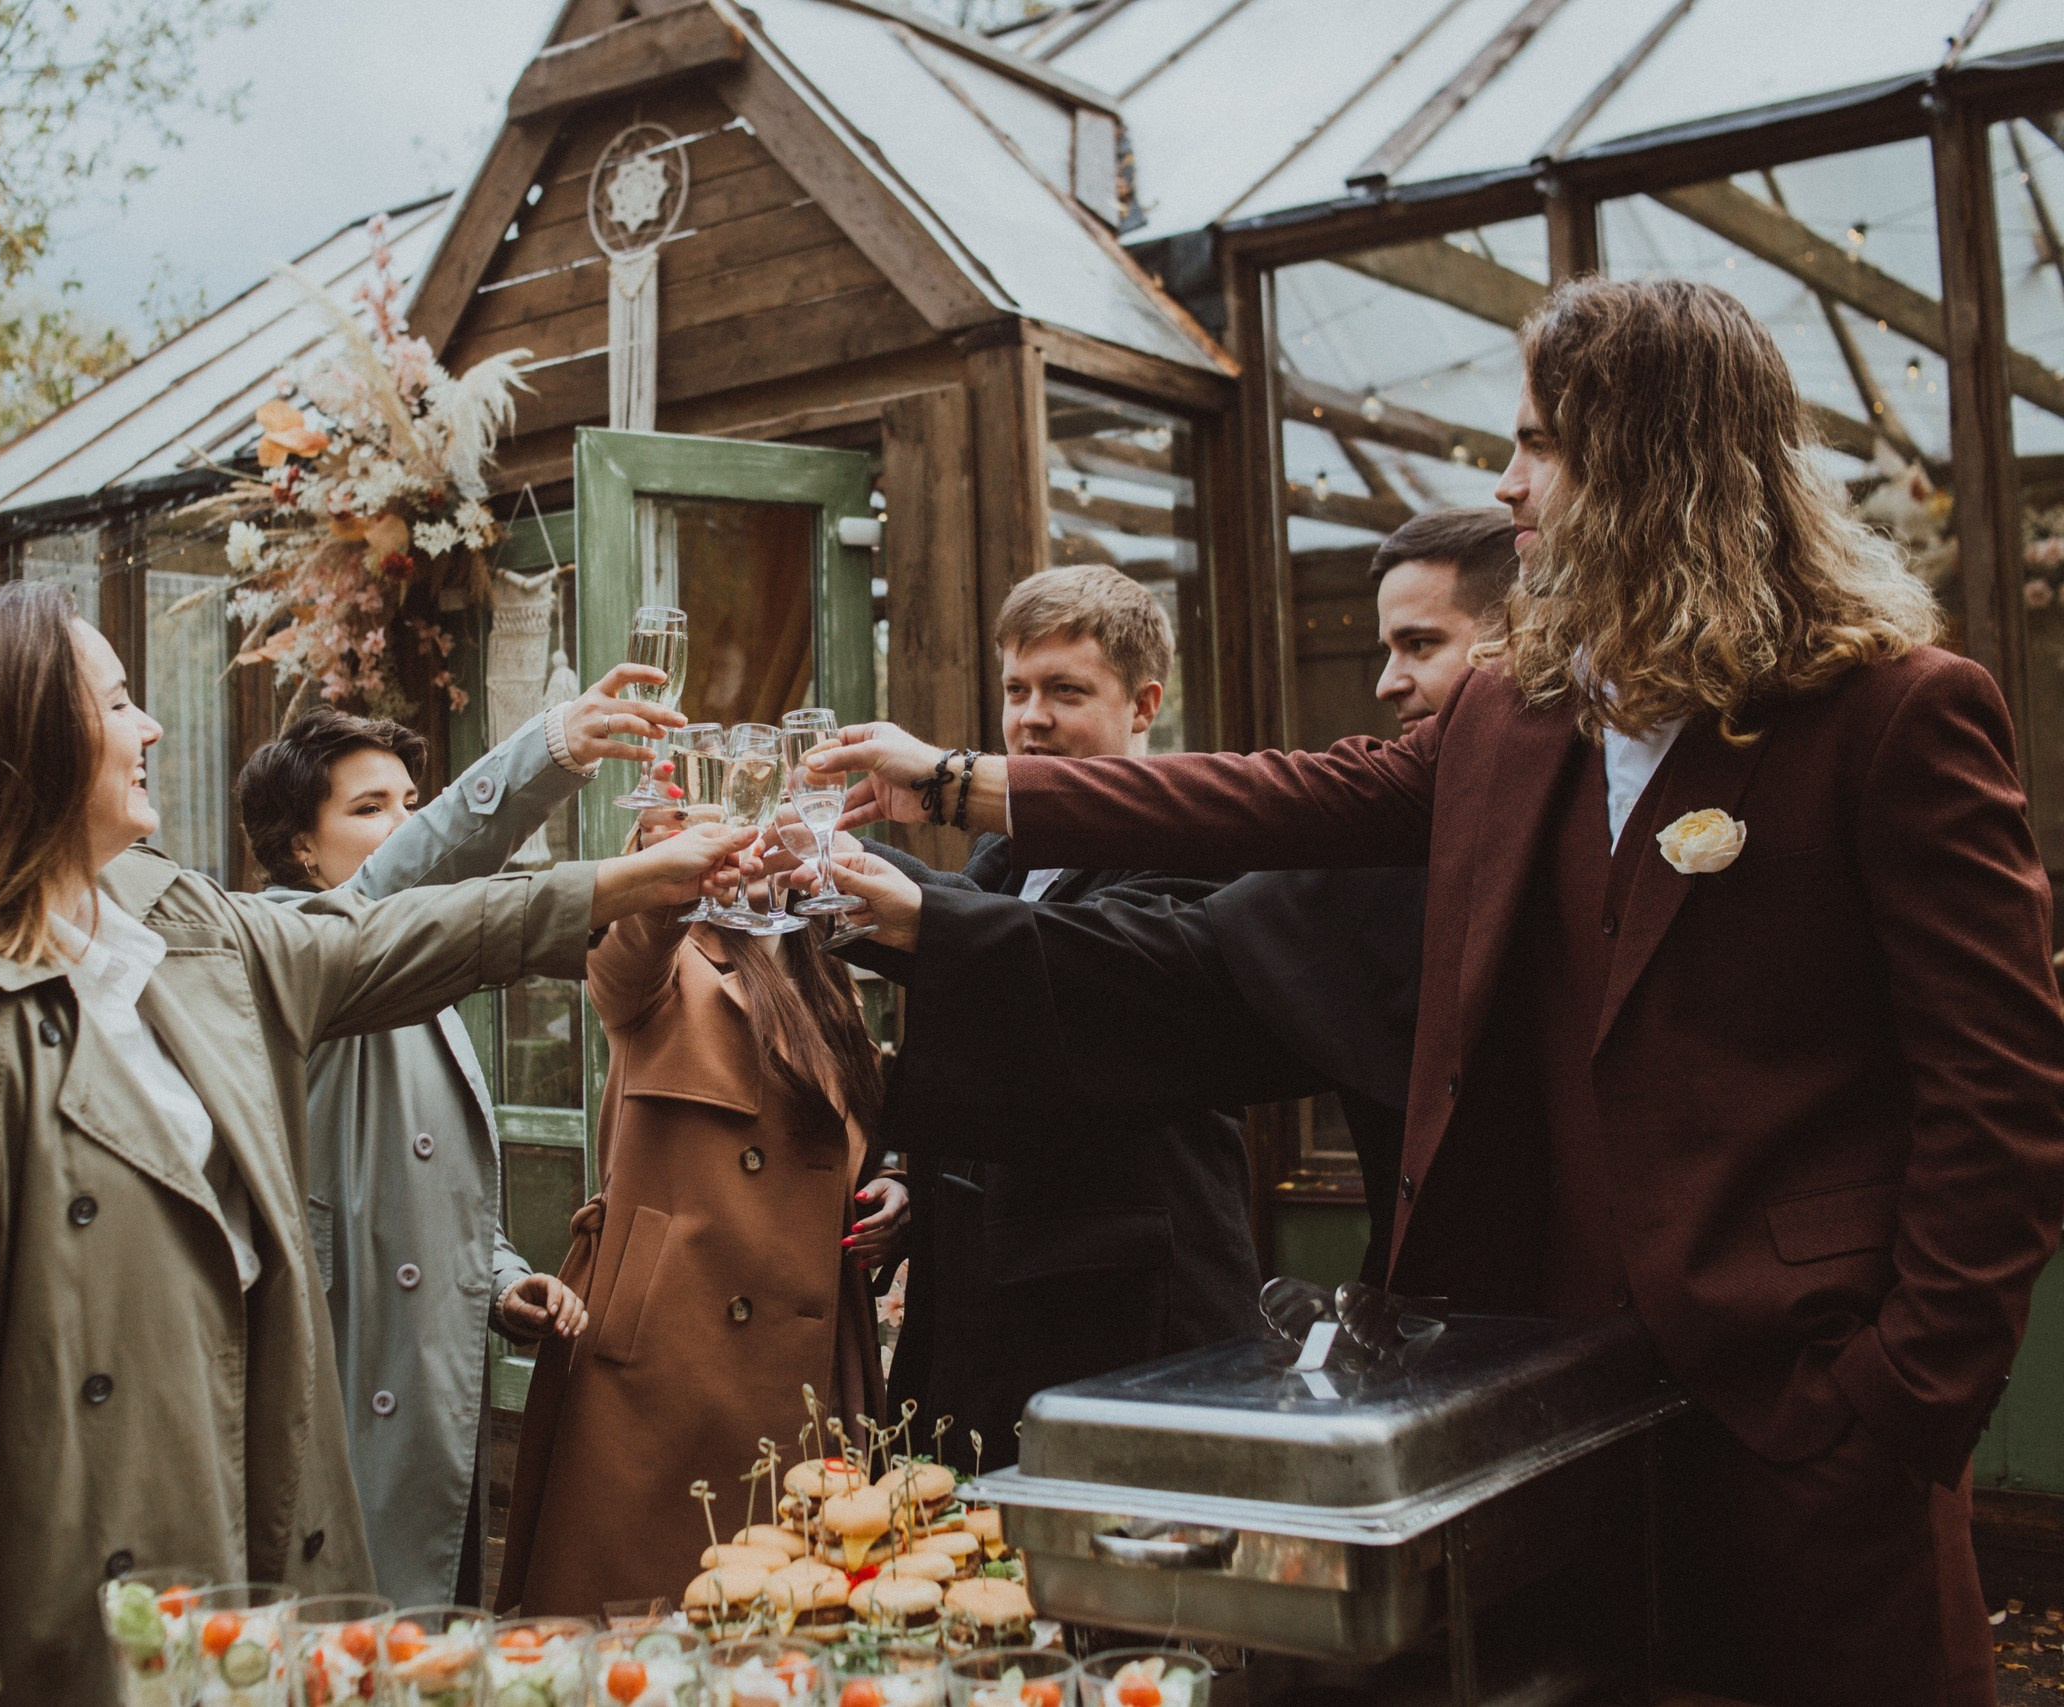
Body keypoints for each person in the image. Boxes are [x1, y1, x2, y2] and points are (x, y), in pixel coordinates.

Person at [819, 278, 2064, 1705]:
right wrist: (963, 786)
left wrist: (1900, 1405)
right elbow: (1283, 799)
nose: (1506, 479)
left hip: (1799, 1413)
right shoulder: (1515, 706)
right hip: (1540, 1406)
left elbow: (2006, 1101)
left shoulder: (1896, 709)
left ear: (1654, 459)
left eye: (1540, 443)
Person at [0, 583, 746, 1705]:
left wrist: (626, 883)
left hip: (254, 1560)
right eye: (116, 703)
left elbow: (383, 931)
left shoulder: (175, 932)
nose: (151, 727)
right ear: (22, 744)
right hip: (86, 1613)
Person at [843, 514, 1515, 1287]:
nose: (1386, 681)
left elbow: (1144, 976)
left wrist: (919, 865)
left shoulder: (1227, 856)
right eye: (1017, 690)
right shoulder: (1002, 855)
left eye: (1420, 645)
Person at [233, 667, 674, 1608]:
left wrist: (502, 1273)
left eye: (412, 801)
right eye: (368, 807)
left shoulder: (407, 974)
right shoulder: (286, 946)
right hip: (345, 1389)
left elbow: (416, 1182)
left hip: (426, 1391)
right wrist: (548, 747)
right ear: (301, 851)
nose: (402, 825)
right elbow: (404, 880)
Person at [826, 564, 1255, 1466]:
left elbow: (1065, 965)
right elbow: (962, 973)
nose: (1031, 718)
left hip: (1126, 1320)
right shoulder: (1008, 846)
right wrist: (823, 861)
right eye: (1016, 690)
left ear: (1145, 705)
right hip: (988, 1306)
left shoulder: (1193, 842)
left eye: (1066, 691)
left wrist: (887, 894)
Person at [498, 812, 907, 1617]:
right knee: (639, 1639)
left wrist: (895, 1183)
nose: (754, 847)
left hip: (808, 1366)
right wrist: (660, 885)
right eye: (732, 831)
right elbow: (620, 960)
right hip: (663, 1371)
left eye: (775, 824)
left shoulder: (832, 980)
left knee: (792, 1629)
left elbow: (855, 1138)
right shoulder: (665, 962)